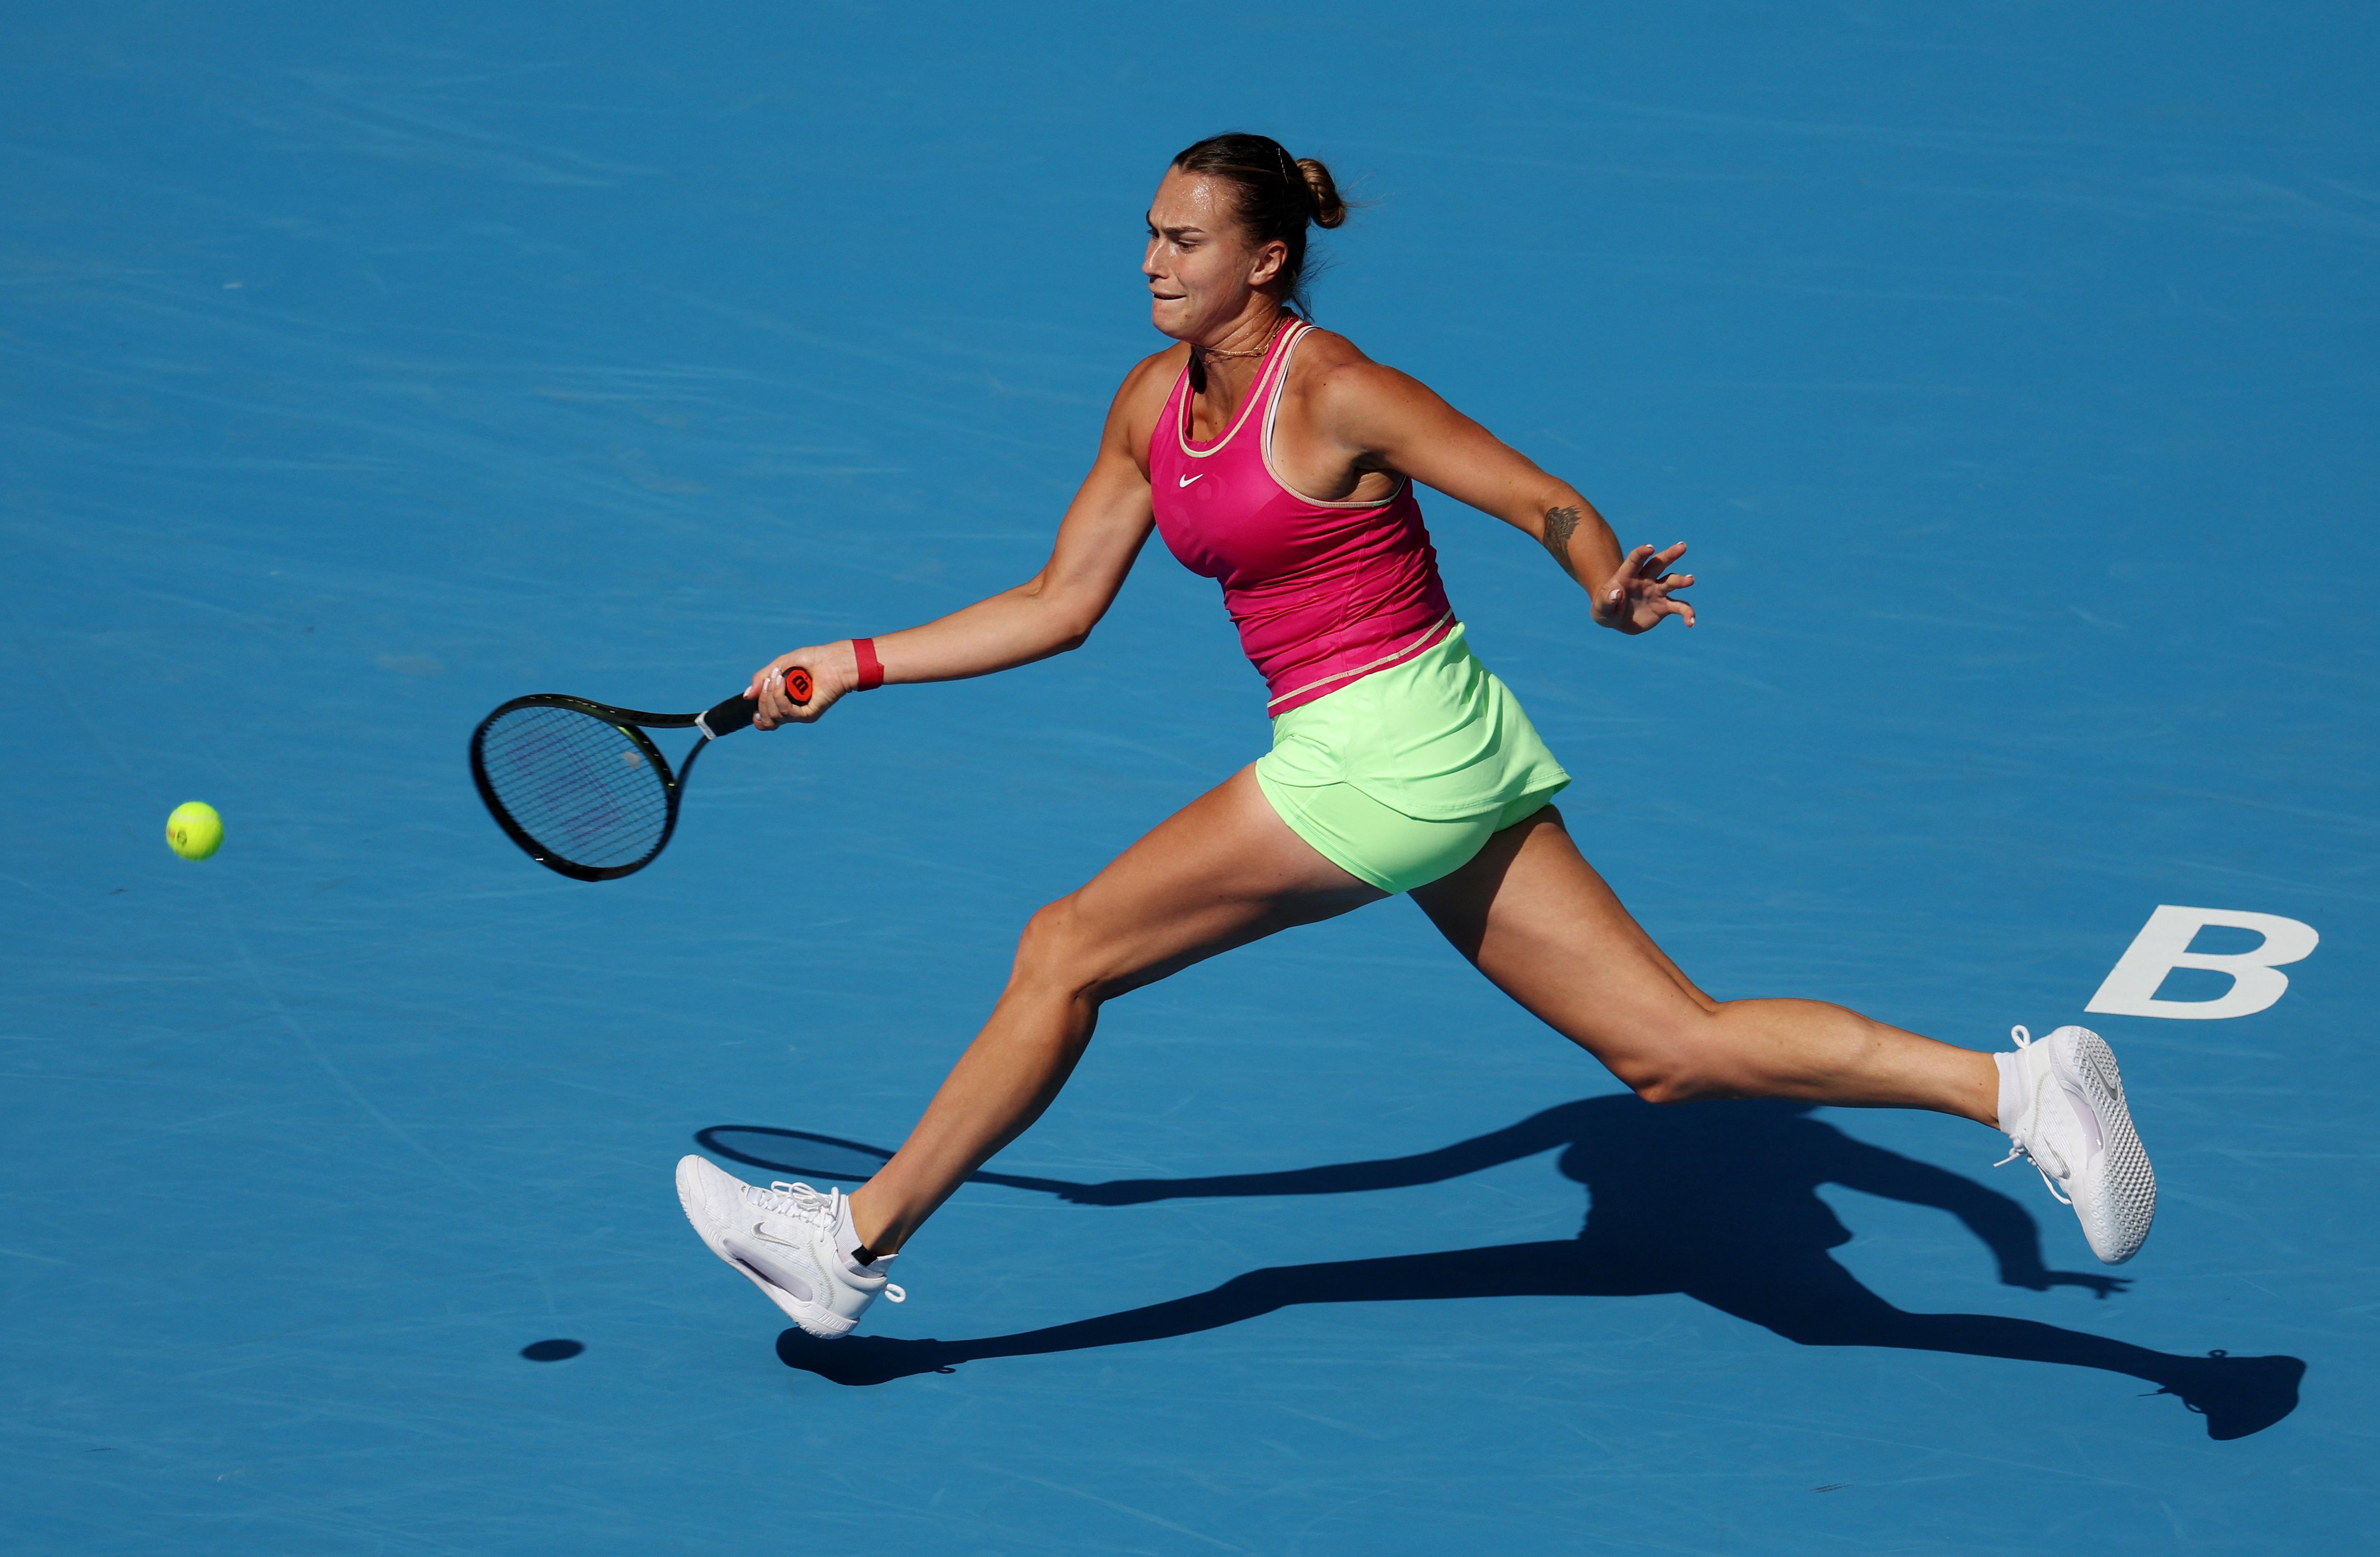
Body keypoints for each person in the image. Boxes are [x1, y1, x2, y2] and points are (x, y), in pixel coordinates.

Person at [673, 132, 2156, 1344]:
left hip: (1380, 743)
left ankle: (849, 1244)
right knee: (1673, 1054)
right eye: (1147, 233)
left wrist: (1603, 586)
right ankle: (2020, 1085)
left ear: (1263, 259)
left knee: (1066, 948)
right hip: (1434, 745)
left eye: (1184, 242)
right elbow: (1060, 603)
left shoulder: (1337, 389)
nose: (1150, 261)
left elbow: (1535, 494)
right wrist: (854, 663)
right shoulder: (1148, 403)